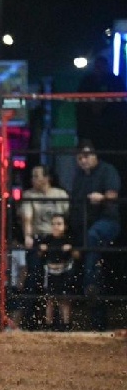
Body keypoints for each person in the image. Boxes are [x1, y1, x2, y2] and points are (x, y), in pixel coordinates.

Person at [68, 141, 121, 331]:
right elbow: (74, 204)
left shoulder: (107, 170)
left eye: (86, 156)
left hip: (107, 222)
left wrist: (103, 198)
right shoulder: (79, 177)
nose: (83, 161)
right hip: (84, 227)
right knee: (90, 263)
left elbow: (113, 194)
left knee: (93, 239)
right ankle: (96, 322)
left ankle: (89, 284)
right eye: (80, 158)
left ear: (95, 155)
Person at [19, 165, 69, 329]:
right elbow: (27, 217)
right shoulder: (29, 195)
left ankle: (62, 323)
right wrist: (28, 236)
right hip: (39, 239)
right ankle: (31, 321)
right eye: (32, 176)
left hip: (59, 239)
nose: (33, 179)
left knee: (63, 282)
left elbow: (68, 219)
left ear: (47, 178)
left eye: (37, 176)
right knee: (33, 277)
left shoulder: (60, 194)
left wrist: (67, 239)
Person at [37, 214, 75, 331]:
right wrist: (42, 249)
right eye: (53, 224)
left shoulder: (68, 239)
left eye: (59, 224)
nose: (55, 227)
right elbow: (39, 255)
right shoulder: (47, 239)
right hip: (50, 272)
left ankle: (66, 325)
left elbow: (77, 255)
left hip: (64, 271)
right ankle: (48, 325)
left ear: (65, 226)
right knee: (49, 300)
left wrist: (71, 249)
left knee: (65, 299)